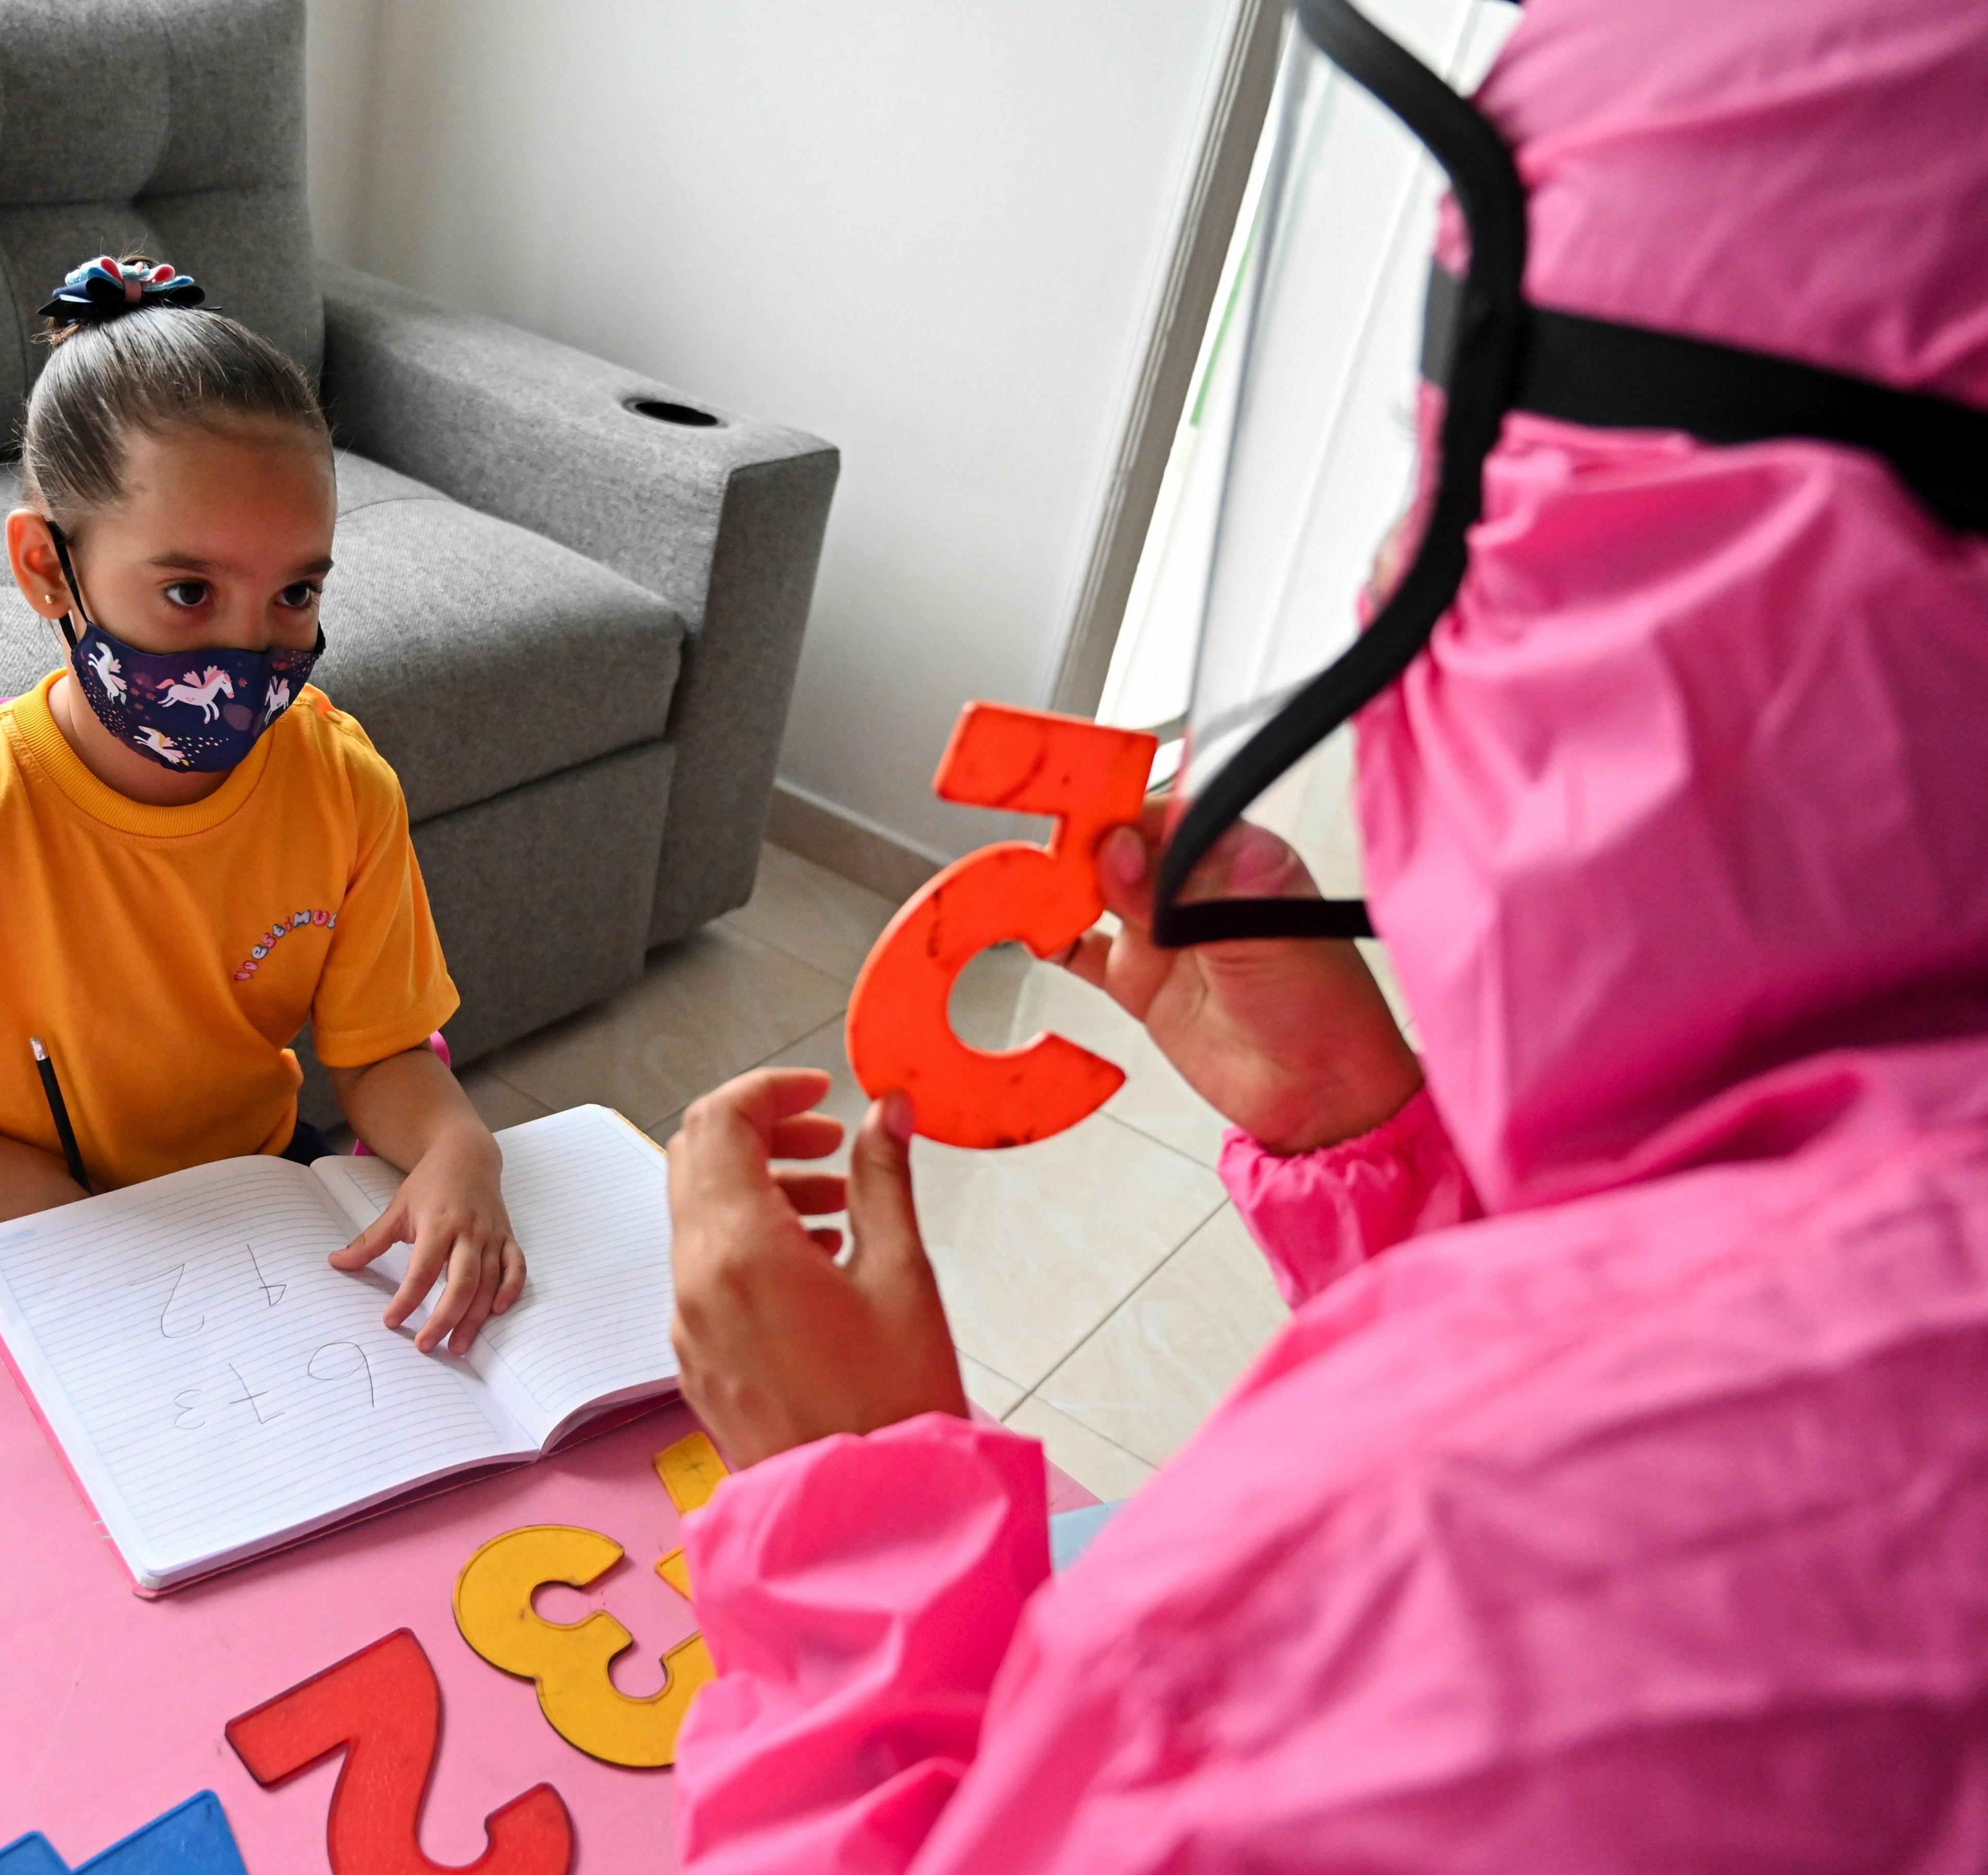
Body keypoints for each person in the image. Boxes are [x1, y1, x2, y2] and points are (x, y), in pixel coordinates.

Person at [662, 1, 1988, 1865]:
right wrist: (1380, 1155)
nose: (1385, 580)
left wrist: (836, 1508)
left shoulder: (1470, 1579)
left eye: (1490, 480)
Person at [0, 255, 523, 1358]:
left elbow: (379, 1054)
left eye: (297, 591)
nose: (251, 645)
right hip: (12, 1227)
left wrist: (459, 1147)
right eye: (189, 592)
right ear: (49, 570)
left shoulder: (341, 784)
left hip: (253, 1199)